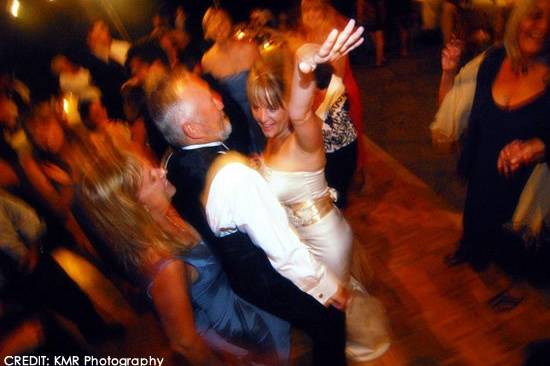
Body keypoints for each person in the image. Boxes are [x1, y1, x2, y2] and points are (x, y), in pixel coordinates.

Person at [147, 61, 350, 366]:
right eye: (209, 98)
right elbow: (283, 250)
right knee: (331, 323)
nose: (220, 100)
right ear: (192, 128)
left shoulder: (172, 161)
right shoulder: (235, 177)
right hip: (268, 281)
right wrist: (327, 287)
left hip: (239, 280)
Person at [75, 140, 290, 365]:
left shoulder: (169, 212)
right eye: (151, 177)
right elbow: (184, 343)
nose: (162, 171)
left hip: (253, 309)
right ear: (138, 206)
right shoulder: (164, 265)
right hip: (245, 336)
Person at [441, 0, 550, 309]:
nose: (543, 26)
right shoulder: (493, 59)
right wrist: (448, 74)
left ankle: (517, 285)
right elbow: (454, 114)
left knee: (520, 240)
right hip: (482, 168)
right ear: (519, 16)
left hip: (529, 187)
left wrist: (536, 146)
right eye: (535, 15)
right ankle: (471, 246)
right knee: (475, 214)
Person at [247, 20, 364, 282]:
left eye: (272, 107)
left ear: (288, 102)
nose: (262, 117)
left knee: (332, 311)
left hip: (327, 244)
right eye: (256, 106)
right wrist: (261, 167)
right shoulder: (273, 136)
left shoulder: (305, 138)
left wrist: (304, 63)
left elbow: (300, 113)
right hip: (299, 242)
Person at [201, 7, 266, 155]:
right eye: (213, 24)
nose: (218, 27)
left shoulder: (249, 48)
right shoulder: (207, 61)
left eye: (222, 21)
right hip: (234, 120)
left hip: (260, 110)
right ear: (207, 31)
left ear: (229, 23)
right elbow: (214, 95)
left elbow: (267, 83)